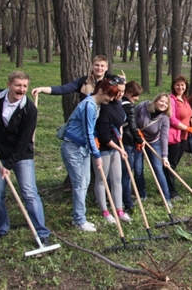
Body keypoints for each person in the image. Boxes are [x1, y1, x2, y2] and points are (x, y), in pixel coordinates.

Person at [0, 71, 52, 245]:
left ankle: (42, 232)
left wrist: (8, 165)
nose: (22, 89)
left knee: (29, 193)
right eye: (18, 85)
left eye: (25, 86)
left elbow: (24, 141)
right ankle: (1, 228)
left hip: (22, 155)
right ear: (9, 84)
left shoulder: (29, 109)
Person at [60, 79, 119, 232]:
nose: (111, 100)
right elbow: (88, 133)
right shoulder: (89, 106)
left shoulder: (96, 105)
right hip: (73, 148)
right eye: (109, 96)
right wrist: (97, 155)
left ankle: (79, 216)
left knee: (85, 183)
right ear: (100, 91)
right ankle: (79, 221)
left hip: (83, 149)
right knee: (80, 184)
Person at [93, 77, 131, 224]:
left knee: (117, 179)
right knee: (102, 180)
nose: (120, 94)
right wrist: (119, 149)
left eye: (123, 91)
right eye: (118, 91)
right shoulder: (104, 107)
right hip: (103, 148)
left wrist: (120, 128)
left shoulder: (118, 103)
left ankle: (119, 210)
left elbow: (120, 119)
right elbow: (103, 136)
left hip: (115, 145)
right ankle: (105, 211)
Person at [136, 93, 173, 205]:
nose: (163, 104)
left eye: (166, 103)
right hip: (138, 140)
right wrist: (136, 134)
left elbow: (164, 137)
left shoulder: (165, 118)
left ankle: (166, 198)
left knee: (158, 169)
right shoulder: (143, 106)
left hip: (153, 142)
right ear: (155, 100)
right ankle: (142, 194)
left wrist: (165, 156)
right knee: (138, 169)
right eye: (161, 101)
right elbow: (132, 117)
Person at [31, 55, 114, 102]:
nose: (99, 68)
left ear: (106, 68)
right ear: (92, 66)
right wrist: (42, 89)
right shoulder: (83, 81)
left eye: (102, 66)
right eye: (97, 65)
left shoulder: (111, 82)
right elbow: (62, 89)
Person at [166, 75, 192, 200]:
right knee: (171, 164)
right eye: (177, 84)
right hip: (174, 136)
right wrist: (187, 128)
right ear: (173, 86)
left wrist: (191, 115)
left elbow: (186, 112)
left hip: (184, 136)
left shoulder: (184, 98)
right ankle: (171, 192)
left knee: (174, 162)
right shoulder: (171, 99)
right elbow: (171, 119)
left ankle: (164, 182)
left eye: (182, 85)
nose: (180, 87)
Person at [121, 81, 145, 213]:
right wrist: (139, 139)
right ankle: (127, 203)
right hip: (127, 143)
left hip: (117, 144)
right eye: (135, 95)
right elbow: (133, 126)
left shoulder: (116, 103)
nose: (137, 98)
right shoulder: (130, 107)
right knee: (126, 174)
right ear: (129, 93)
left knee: (119, 174)